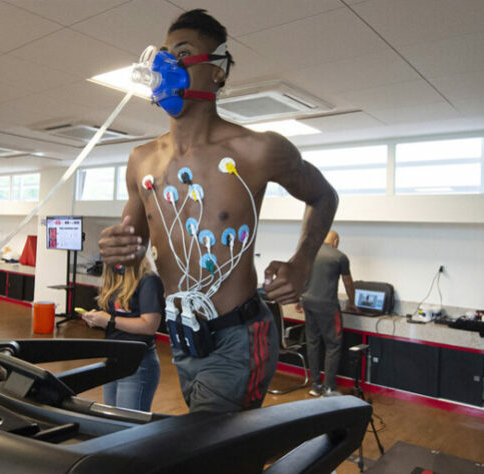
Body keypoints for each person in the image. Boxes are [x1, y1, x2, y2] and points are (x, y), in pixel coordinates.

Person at [99, 9, 337, 414]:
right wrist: (117, 247)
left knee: (212, 450)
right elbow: (135, 243)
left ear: (218, 71)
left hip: (238, 337)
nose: (165, 63)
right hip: (182, 336)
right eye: (163, 54)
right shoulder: (141, 160)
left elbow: (324, 196)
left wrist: (302, 263)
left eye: (184, 52)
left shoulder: (258, 150)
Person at [82, 260, 164, 411]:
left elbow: (150, 326)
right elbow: (113, 320)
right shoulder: (115, 278)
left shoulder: (149, 280)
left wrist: (110, 321)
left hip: (137, 364)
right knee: (112, 422)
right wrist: (96, 320)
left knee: (129, 428)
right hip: (113, 360)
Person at [298, 230, 357, 397]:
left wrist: (298, 300)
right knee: (333, 344)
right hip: (327, 306)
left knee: (313, 343)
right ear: (335, 241)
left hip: (308, 303)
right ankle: (329, 387)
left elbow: (301, 277)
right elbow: (348, 282)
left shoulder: (309, 253)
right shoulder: (339, 256)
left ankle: (315, 385)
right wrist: (352, 303)